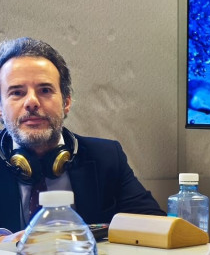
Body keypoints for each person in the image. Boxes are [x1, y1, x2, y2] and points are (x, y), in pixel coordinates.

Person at [0, 37, 164, 236]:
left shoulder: (106, 157)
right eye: (17, 92)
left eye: (45, 90)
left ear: (66, 102)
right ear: (1, 108)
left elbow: (157, 228)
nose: (32, 102)